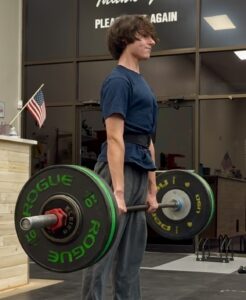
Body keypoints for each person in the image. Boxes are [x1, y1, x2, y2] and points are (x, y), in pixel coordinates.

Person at [81, 14, 159, 300]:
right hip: (118, 170)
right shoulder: (117, 81)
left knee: (131, 259)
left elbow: (149, 140)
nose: (151, 42)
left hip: (139, 169)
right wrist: (118, 190)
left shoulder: (143, 84)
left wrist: (152, 188)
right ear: (126, 39)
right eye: (145, 36)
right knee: (102, 252)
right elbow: (114, 137)